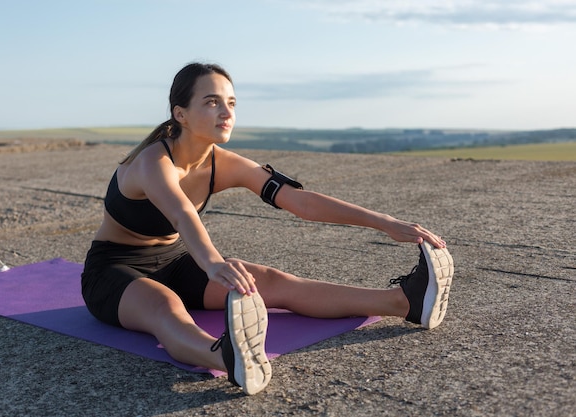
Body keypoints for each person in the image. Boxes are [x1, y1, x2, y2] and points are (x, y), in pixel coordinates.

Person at [81, 62, 454, 395]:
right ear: (181, 113)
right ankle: (228, 356)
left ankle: (406, 302)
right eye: (211, 102)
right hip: (114, 270)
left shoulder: (221, 163)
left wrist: (383, 222)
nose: (226, 112)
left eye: (231, 103)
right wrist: (213, 263)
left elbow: (301, 202)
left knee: (269, 280)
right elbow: (181, 215)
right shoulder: (153, 162)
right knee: (165, 306)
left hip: (176, 260)